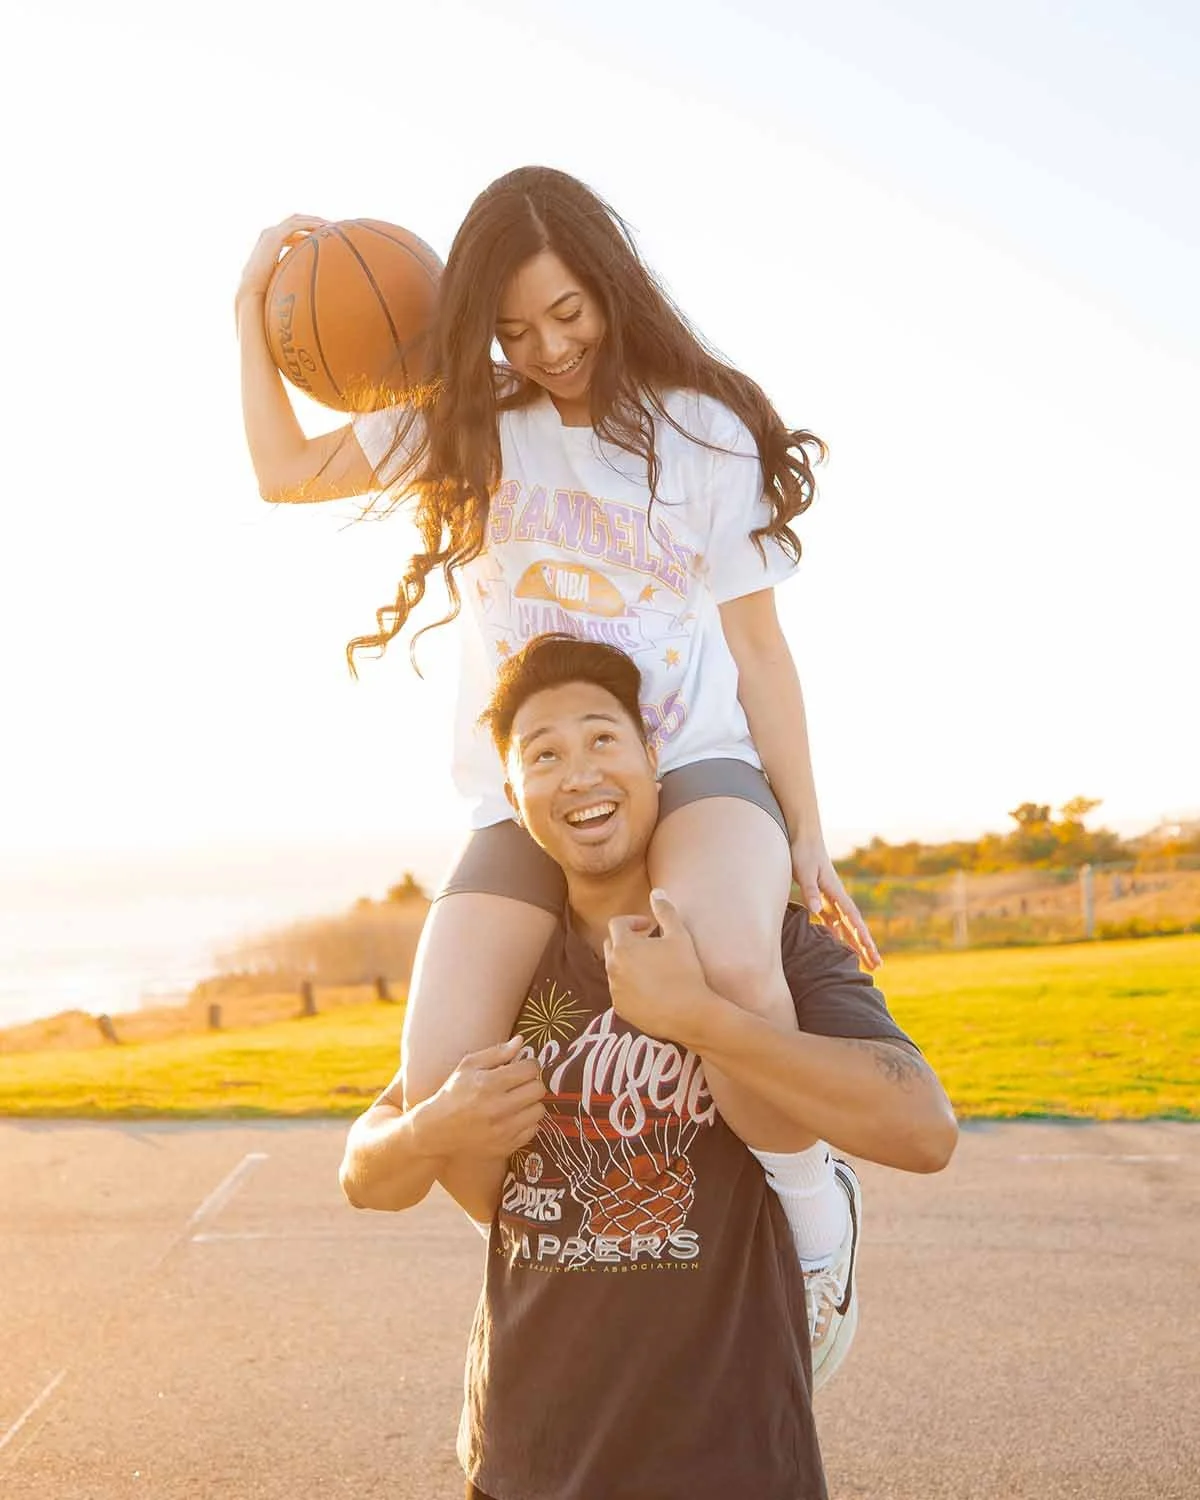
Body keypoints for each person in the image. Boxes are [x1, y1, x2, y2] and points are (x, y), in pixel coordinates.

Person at [236, 169, 882, 1214]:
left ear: (611, 286)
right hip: (529, 794)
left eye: (567, 312)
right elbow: (284, 470)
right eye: (512, 328)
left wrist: (806, 832)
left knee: (731, 969)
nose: (547, 347)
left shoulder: (705, 433)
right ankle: (567, 1261)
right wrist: (245, 315)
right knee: (445, 1069)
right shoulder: (468, 422)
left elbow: (760, 653)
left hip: (691, 763)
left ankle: (813, 1217)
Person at [340, 633, 958, 1500]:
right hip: (521, 1464)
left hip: (734, 1463)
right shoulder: (503, 970)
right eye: (544, 756)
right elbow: (365, 1174)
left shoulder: (763, 945)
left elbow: (925, 1132)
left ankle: (823, 1221)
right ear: (515, 800)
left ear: (654, 762)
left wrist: (701, 1021)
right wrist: (433, 1126)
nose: (580, 773)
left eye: (603, 739)